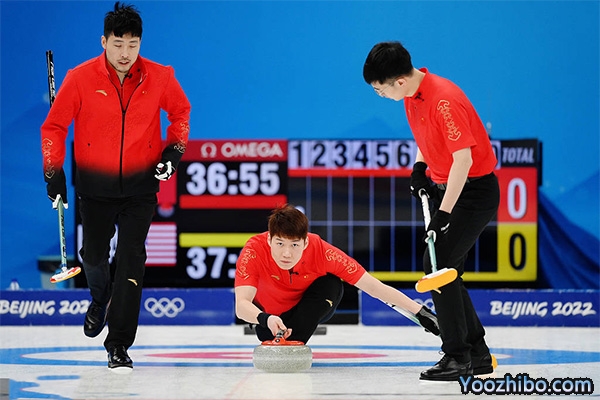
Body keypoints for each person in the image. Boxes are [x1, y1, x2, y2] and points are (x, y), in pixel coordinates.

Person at [41, 2, 191, 372]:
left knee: (130, 259)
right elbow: (54, 127)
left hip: (141, 187)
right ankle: (100, 297)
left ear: (140, 43)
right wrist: (52, 171)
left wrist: (173, 152)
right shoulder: (80, 78)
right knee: (93, 256)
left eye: (133, 45)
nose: (125, 53)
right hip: (95, 187)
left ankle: (119, 344)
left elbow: (180, 114)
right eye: (118, 44)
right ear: (104, 41)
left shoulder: (160, 76)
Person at [363, 41, 499, 381]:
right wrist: (419, 168)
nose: (381, 95)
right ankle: (477, 354)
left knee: (438, 266)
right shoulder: (412, 95)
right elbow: (428, 138)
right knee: (447, 271)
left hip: (473, 191)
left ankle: (458, 357)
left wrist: (444, 215)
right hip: (447, 187)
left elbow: (463, 159)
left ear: (399, 81)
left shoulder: (444, 100)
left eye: (380, 90)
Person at [234, 204, 439, 346]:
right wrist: (266, 319)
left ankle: (294, 340)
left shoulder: (323, 252)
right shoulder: (253, 251)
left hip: (311, 306)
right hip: (269, 320)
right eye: (280, 244)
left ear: (305, 242)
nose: (286, 253)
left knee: (331, 282)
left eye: (294, 245)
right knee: (265, 329)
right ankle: (285, 335)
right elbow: (242, 305)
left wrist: (422, 313)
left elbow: (374, 287)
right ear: (269, 240)